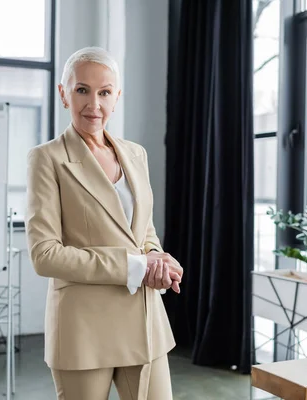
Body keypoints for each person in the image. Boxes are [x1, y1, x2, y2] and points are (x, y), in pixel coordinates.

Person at [26, 46, 183, 400]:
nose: (93, 104)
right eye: (82, 90)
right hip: (83, 326)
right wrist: (138, 265)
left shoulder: (135, 154)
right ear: (64, 94)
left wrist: (157, 258)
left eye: (104, 92)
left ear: (116, 97)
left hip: (143, 321)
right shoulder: (46, 159)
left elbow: (143, 231)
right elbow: (45, 255)